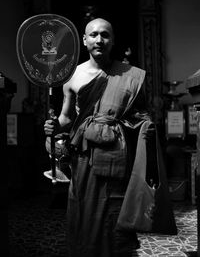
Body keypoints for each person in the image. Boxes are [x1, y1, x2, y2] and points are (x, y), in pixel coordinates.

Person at [44, 18, 176, 257]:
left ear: (112, 40)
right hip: (84, 163)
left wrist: (141, 127)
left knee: (115, 217)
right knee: (84, 217)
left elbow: (142, 118)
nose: (99, 40)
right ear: (84, 40)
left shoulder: (131, 76)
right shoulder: (72, 76)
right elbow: (65, 118)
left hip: (117, 159)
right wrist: (53, 127)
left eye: (105, 35)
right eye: (93, 35)